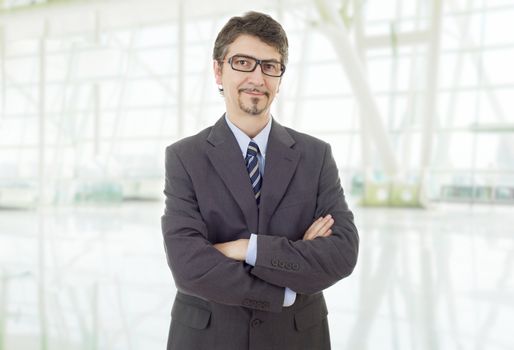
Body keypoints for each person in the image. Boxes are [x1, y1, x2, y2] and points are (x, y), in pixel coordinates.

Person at [161, 11, 359, 350]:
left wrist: (245, 248)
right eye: (243, 62)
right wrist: (284, 288)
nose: (257, 77)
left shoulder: (316, 156)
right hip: (208, 338)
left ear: (280, 78)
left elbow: (341, 254)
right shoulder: (185, 157)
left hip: (297, 339)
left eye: (270, 66)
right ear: (218, 70)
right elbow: (188, 266)